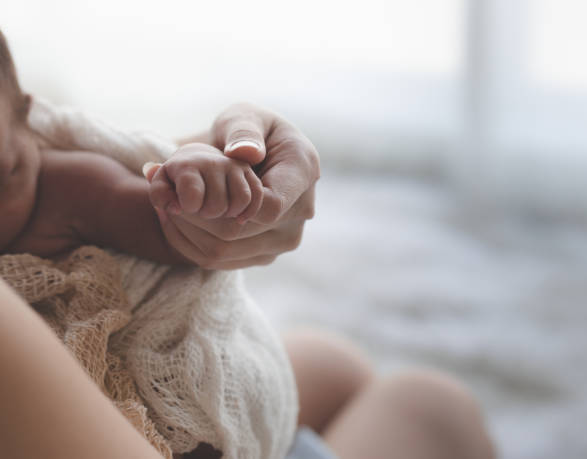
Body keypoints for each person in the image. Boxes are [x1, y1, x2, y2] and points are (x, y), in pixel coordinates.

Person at [0, 30, 495, 459]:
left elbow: (162, 211)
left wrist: (203, 178)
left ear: (29, 117)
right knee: (432, 407)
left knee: (333, 363)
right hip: (155, 438)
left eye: (4, 176)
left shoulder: (69, 188)